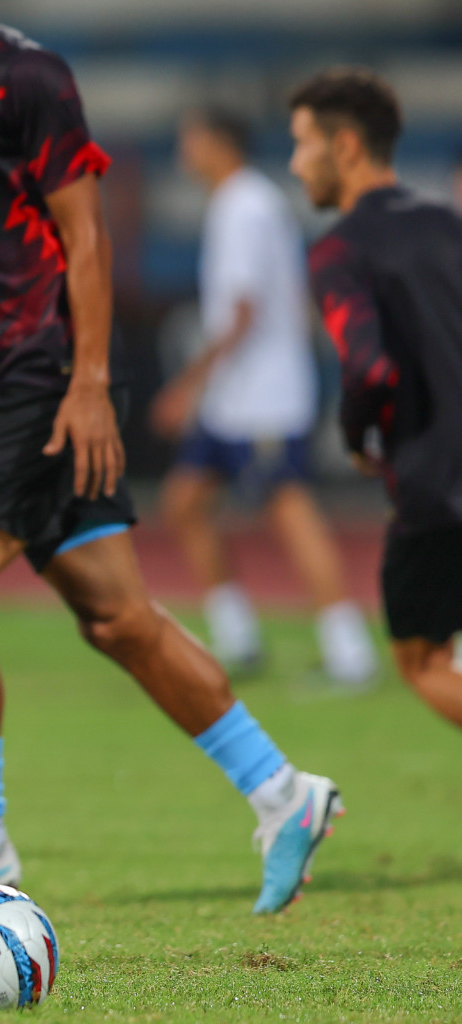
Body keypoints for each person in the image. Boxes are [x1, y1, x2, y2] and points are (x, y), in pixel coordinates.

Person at [0, 0, 339, 916]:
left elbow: (86, 232)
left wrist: (91, 381)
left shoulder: (25, 76)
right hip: (6, 385)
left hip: (47, 377)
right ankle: (283, 792)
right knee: (119, 620)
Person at [152, 107, 376, 684]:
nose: (185, 153)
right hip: (240, 396)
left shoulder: (243, 207)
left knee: (289, 508)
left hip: (263, 396)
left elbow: (242, 312)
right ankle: (239, 639)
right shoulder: (248, 202)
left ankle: (349, 650)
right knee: (184, 501)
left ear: (217, 142)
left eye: (191, 139)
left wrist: (187, 384)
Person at [290, 68, 462, 731]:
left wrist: (356, 435)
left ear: (347, 148)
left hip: (436, 484)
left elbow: (370, 367)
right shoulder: (449, 224)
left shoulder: (339, 250)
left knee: (422, 662)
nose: (296, 163)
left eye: (304, 144)